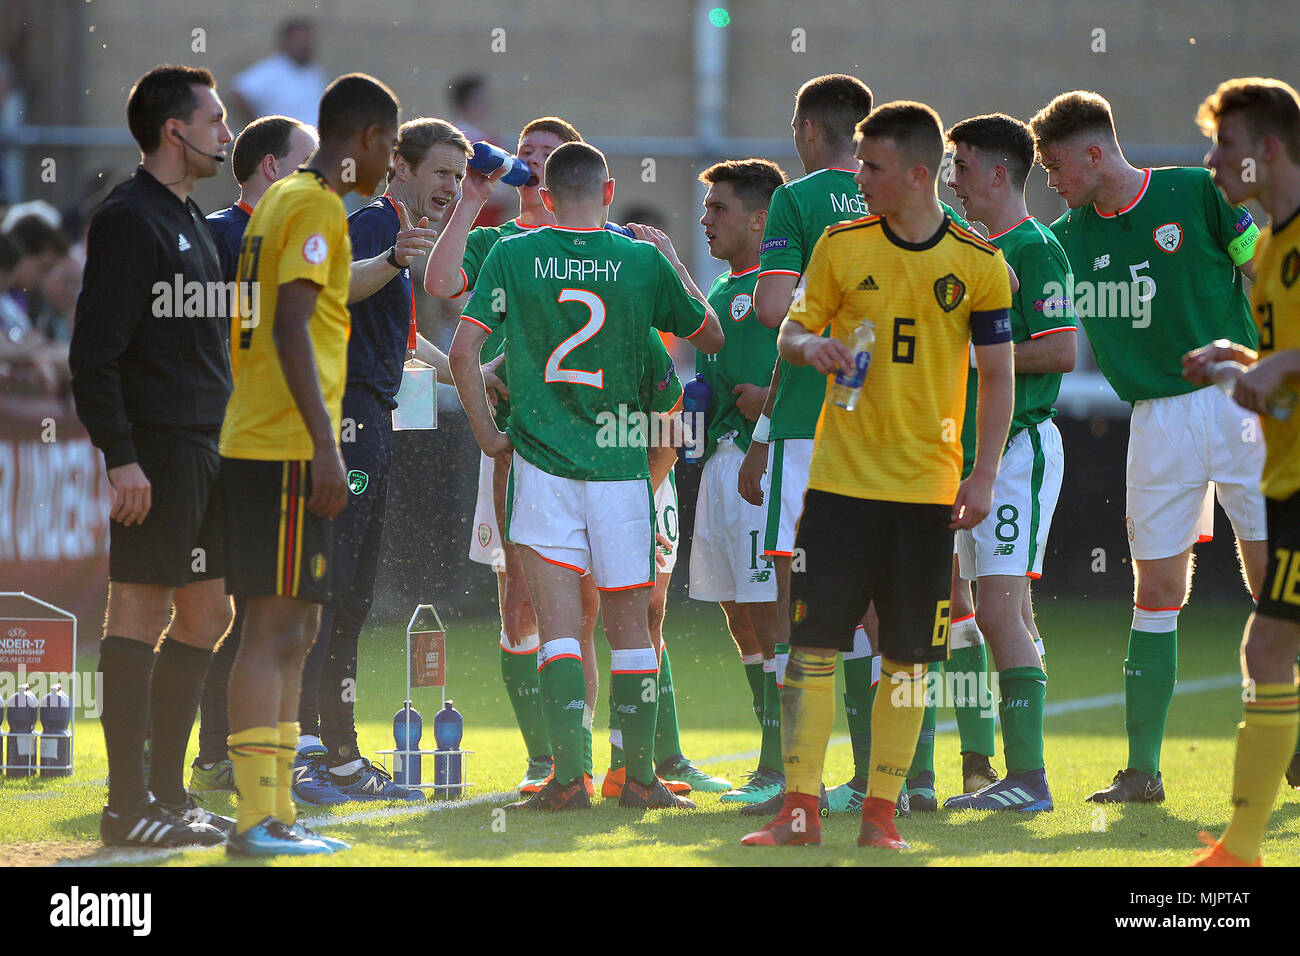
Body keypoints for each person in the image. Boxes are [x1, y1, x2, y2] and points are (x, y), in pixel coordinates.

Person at [742, 100, 1014, 848]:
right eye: (858, 162)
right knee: (813, 649)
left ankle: (882, 818)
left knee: (907, 659)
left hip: (925, 495)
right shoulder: (838, 245)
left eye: (872, 167)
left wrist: (983, 476)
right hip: (837, 488)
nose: (858, 177)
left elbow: (999, 379)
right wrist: (809, 348)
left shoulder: (981, 265)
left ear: (919, 175)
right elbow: (792, 326)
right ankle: (799, 810)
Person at [450, 141, 724, 810]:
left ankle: (566, 778)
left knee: (559, 627)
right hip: (621, 471)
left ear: (544, 198)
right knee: (632, 630)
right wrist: (673, 262)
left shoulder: (512, 254)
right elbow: (710, 336)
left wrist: (490, 437)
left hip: (541, 468)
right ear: (607, 195)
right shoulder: (640, 260)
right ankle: (638, 778)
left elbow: (463, 351)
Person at [1031, 90, 1266, 804]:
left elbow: (1265, 264)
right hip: (1156, 422)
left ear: (1095, 152)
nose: (1052, 179)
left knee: (1274, 582)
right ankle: (1142, 771)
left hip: (1241, 404)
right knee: (1157, 591)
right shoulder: (1065, 240)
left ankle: (1281, 730)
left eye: (1056, 165)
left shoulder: (1193, 192)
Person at [291, 117, 505, 803]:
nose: (450, 186)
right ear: (400, 170)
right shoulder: (379, 230)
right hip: (346, 423)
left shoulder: (399, 240)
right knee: (326, 592)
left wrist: (475, 371)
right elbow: (327, 290)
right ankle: (307, 753)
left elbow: (407, 341)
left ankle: (340, 753)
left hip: (370, 422)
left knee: (350, 595)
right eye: (441, 172)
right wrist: (392, 261)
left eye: (457, 174)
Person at [219, 72, 399, 855]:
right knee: (275, 629)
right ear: (364, 139)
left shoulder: (286, 200)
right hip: (287, 444)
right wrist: (326, 445)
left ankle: (275, 812)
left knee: (290, 629)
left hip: (266, 438)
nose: (391, 164)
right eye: (390, 146)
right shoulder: (319, 206)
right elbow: (293, 325)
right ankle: (259, 818)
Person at [68, 64, 235, 848]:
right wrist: (121, 457)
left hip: (205, 450)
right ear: (176, 131)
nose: (226, 135)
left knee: (209, 613)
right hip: (158, 452)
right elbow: (94, 353)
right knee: (138, 608)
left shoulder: (191, 218)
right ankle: (126, 802)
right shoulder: (130, 218)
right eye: (216, 120)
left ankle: (167, 795)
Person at [425, 116, 596, 795]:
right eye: (524, 153)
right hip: (515, 445)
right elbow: (440, 284)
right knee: (518, 597)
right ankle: (542, 757)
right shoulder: (497, 240)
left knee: (589, 603)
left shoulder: (599, 243)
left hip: (590, 444)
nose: (532, 164)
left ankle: (581, 754)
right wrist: (471, 195)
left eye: (548, 156)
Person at [732, 74, 875, 810]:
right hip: (885, 424)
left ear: (812, 130)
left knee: (803, 611)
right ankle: (894, 783)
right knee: (882, 610)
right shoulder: (912, 201)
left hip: (810, 424)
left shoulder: (800, 198)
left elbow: (770, 308)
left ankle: (800, 782)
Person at [935, 112, 1077, 813]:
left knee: (997, 610)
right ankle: (990, 766)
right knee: (978, 609)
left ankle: (1029, 780)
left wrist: (970, 356)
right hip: (971, 452)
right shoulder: (972, 250)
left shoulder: (1034, 248)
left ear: (997, 172)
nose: (950, 181)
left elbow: (1061, 351)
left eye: (959, 167)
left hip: (1017, 449)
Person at [1185, 76, 1300, 866]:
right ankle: (1245, 844)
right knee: (1271, 649)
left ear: (1266, 150)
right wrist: (1244, 359)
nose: (1213, 161)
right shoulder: (1273, 249)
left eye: (1225, 146)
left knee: (1268, 650)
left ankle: (1245, 846)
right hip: (1288, 480)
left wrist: (1282, 362)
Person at [188, 114, 318, 796]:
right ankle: (222, 761)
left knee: (278, 612)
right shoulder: (217, 237)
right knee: (222, 611)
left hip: (282, 448)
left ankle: (252, 756)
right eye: (309, 164)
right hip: (227, 450)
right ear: (273, 168)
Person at [684, 158, 788, 796]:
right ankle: (770, 761)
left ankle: (782, 767)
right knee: (738, 614)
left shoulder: (785, 289)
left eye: (719, 208)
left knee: (769, 611)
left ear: (760, 218)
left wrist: (769, 403)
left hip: (764, 462)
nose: (707, 219)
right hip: (720, 463)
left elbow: (820, 362)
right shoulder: (720, 293)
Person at [229, 18, 328, 126]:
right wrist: (257, 127)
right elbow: (239, 91)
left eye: (307, 40)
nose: (304, 45)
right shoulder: (272, 69)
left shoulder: (314, 72)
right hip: (283, 140)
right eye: (299, 40)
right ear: (286, 42)